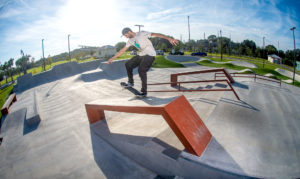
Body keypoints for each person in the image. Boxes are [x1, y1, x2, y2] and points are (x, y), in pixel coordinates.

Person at [107, 27, 179, 97]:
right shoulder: (130, 41)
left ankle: (144, 91)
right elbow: (122, 50)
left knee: (141, 70)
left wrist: (169, 39)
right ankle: (130, 82)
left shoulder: (141, 33)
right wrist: (112, 58)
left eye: (126, 35)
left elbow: (156, 34)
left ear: (129, 32)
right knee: (128, 64)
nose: (126, 37)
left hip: (150, 54)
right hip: (142, 54)